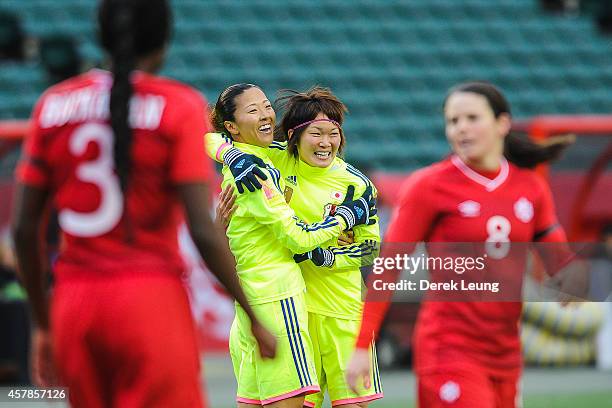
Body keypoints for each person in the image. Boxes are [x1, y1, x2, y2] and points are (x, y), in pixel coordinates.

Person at [10, 1, 275, 407]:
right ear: (164, 41)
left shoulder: (53, 105)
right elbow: (202, 232)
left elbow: (24, 229)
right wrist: (254, 315)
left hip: (74, 305)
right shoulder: (179, 105)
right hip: (149, 302)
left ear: (101, 36)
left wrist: (43, 325)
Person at [346, 81, 575, 408]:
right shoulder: (429, 185)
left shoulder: (530, 187)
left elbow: (559, 261)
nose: (461, 128)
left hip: (506, 354)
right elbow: (388, 267)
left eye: (471, 118)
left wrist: (571, 278)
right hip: (448, 351)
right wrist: (362, 345)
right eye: (453, 121)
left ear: (502, 124)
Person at [207, 83, 377, 408]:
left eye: (333, 132)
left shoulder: (357, 184)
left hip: (342, 312)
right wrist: (339, 222)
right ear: (295, 137)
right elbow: (209, 135)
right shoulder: (275, 162)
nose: (325, 141)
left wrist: (329, 256)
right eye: (316, 132)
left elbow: (370, 250)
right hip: (288, 302)